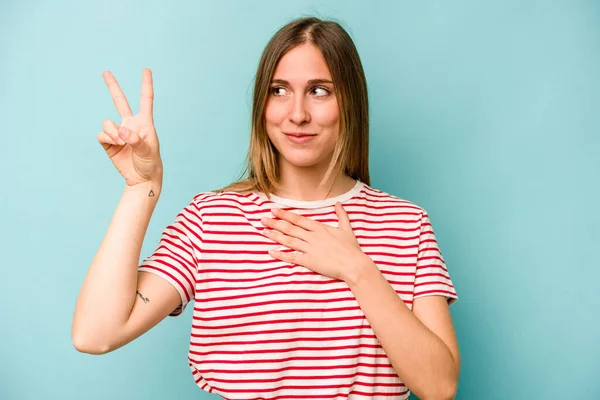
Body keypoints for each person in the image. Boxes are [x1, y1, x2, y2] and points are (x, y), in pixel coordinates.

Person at [72, 16, 460, 400]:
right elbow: (96, 334)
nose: (297, 114)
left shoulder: (405, 223)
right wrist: (142, 187)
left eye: (319, 90)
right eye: (279, 90)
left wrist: (358, 270)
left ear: (350, 102)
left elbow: (440, 387)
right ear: (262, 103)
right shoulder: (211, 220)